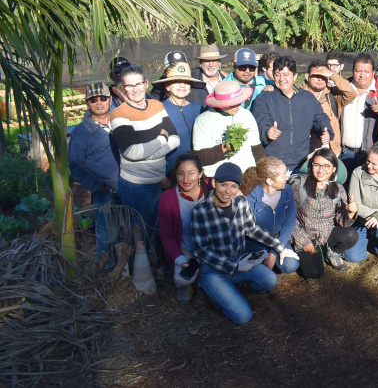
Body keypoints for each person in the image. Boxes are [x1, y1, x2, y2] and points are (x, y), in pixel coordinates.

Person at [191, 162, 298, 325]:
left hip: (239, 261)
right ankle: (212, 293)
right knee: (243, 316)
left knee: (270, 280)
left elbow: (252, 229)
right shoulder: (200, 212)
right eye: (223, 185)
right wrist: (233, 267)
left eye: (233, 186)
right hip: (214, 269)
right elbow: (201, 251)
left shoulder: (241, 202)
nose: (228, 191)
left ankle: (230, 289)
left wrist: (279, 247)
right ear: (214, 183)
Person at [110, 66, 180, 257]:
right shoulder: (118, 114)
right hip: (135, 185)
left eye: (139, 84)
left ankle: (155, 268)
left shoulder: (157, 106)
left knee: (157, 227)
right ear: (123, 88)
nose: (135, 89)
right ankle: (138, 276)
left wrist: (149, 152)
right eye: (129, 86)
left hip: (158, 182)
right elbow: (132, 152)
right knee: (138, 232)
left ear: (146, 83)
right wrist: (160, 140)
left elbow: (176, 138)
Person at [68, 82, 120, 271]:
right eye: (93, 99)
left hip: (131, 186)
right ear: (87, 103)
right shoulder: (80, 133)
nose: (99, 103)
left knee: (134, 230)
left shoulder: (121, 121)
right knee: (107, 234)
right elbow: (76, 166)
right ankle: (106, 271)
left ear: (110, 99)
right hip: (105, 192)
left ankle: (129, 270)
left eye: (103, 98)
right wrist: (98, 186)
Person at [250, 55, 332, 172]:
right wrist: (267, 131)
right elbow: (260, 121)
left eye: (285, 74)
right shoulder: (264, 98)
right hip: (273, 166)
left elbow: (320, 118)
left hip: (301, 165)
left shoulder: (307, 98)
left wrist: (325, 130)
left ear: (295, 76)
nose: (281, 78)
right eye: (277, 74)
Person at [289, 149, 358, 277]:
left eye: (326, 166)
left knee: (351, 235)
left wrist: (351, 213)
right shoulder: (299, 185)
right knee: (314, 273)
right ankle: (309, 253)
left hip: (326, 233)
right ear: (311, 166)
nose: (321, 170)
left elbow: (342, 222)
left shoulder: (338, 188)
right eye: (317, 165)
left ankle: (332, 252)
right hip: (305, 235)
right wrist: (303, 241)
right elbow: (288, 217)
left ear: (334, 168)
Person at [158, 153, 209, 303]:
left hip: (209, 248)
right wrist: (179, 258)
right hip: (185, 249)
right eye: (181, 174)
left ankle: (203, 287)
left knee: (209, 274)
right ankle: (184, 285)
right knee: (182, 279)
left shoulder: (211, 191)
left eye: (191, 173)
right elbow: (166, 235)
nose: (186, 179)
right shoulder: (168, 198)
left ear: (200, 173)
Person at [343, 138, 378, 262]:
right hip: (360, 220)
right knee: (353, 258)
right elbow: (355, 203)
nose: (369, 165)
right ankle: (365, 239)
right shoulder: (357, 173)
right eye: (368, 161)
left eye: (374, 164)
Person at [338, 53, 378, 175]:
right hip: (345, 153)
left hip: (372, 156)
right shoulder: (343, 87)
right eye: (358, 71)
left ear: (373, 72)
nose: (362, 75)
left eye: (366, 71)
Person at [193, 80, 265, 178]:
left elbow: (257, 148)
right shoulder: (203, 120)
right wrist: (223, 150)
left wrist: (263, 173)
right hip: (217, 178)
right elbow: (199, 156)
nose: (238, 106)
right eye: (232, 103)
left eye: (239, 102)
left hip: (247, 176)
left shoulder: (246, 115)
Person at [240, 157, 299, 275]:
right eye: (283, 175)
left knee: (291, 265)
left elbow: (290, 223)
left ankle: (269, 262)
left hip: (278, 238)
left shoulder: (287, 190)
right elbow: (251, 230)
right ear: (269, 181)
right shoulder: (251, 196)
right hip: (255, 241)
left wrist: (274, 252)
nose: (287, 178)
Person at [152, 62, 204, 177]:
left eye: (186, 82)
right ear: (167, 86)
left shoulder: (199, 109)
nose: (182, 85)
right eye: (177, 82)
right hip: (168, 174)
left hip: (194, 174)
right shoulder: (157, 109)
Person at [303, 60, 358, 157]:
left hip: (331, 151)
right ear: (307, 76)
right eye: (316, 75)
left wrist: (333, 75)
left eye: (323, 76)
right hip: (305, 153)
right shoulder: (297, 96)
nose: (320, 79)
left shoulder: (333, 95)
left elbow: (352, 93)